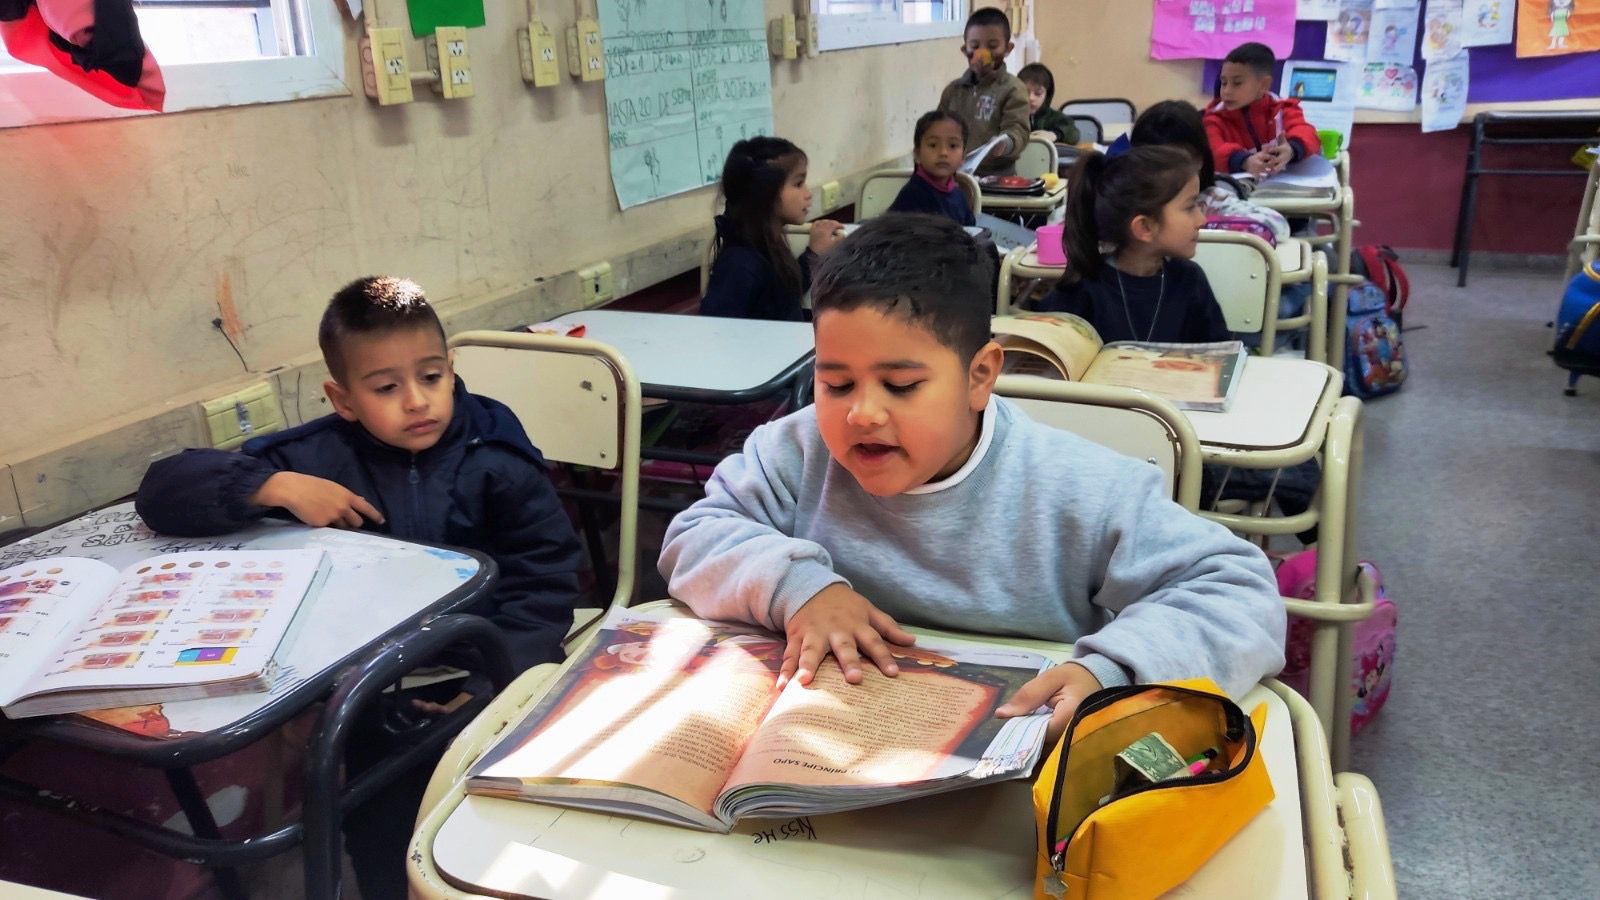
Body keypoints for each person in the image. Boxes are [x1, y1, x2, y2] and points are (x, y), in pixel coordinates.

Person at [658, 214, 1285, 741]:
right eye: (836, 382)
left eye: (901, 385)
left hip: (1015, 756)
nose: (862, 413)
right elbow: (696, 534)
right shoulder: (795, 451)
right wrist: (800, 588)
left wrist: (1113, 669)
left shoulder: (1077, 486)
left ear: (980, 376)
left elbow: (1237, 591)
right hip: (833, 737)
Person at [136, 276, 584, 899]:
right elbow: (162, 490)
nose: (417, 402)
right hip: (373, 686)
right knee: (384, 821)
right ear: (342, 399)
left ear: (451, 370)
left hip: (489, 666)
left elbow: (547, 578)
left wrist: (491, 680)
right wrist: (275, 488)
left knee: (509, 819)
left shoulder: (494, 452)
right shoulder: (315, 458)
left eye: (432, 377)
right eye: (385, 388)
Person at [1036, 146, 1230, 344]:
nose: (1202, 220)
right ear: (1144, 227)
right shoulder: (1083, 288)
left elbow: (1221, 354)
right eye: (1190, 207)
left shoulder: (1190, 280)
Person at [702, 137, 842, 321]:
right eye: (798, 184)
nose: (808, 194)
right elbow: (714, 329)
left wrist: (814, 253)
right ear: (765, 194)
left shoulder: (769, 246)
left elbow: (783, 296)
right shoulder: (739, 264)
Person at [1130, 98, 1290, 241]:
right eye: (1152, 162)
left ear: (1199, 161)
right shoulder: (1132, 201)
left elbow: (1276, 224)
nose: (1161, 173)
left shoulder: (1209, 201)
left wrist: (1197, 227)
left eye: (1171, 162)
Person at [1203, 41, 1321, 177]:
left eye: (1237, 83)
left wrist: (1292, 149)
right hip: (1236, 193)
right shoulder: (1213, 119)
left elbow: (1308, 133)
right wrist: (1244, 161)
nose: (1227, 91)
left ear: (1263, 85)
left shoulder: (1283, 109)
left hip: (1278, 190)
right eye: (1224, 83)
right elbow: (1213, 151)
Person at [937, 6, 1030, 177]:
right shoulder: (953, 91)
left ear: (1008, 49)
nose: (982, 52)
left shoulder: (1013, 89)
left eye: (992, 46)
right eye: (975, 45)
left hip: (997, 179)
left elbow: (1018, 130)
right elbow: (937, 127)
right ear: (965, 50)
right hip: (955, 178)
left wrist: (1005, 143)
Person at [888, 110, 977, 227]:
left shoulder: (958, 195)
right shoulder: (912, 196)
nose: (943, 153)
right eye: (933, 145)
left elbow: (971, 231)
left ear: (963, 157)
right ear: (917, 154)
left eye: (953, 145)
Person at [1017, 62, 1080, 145]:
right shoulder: (1010, 116)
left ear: (1047, 95)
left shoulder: (1056, 117)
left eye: (1038, 93)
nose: (1031, 98)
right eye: (1025, 92)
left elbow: (1074, 133)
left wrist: (1054, 135)